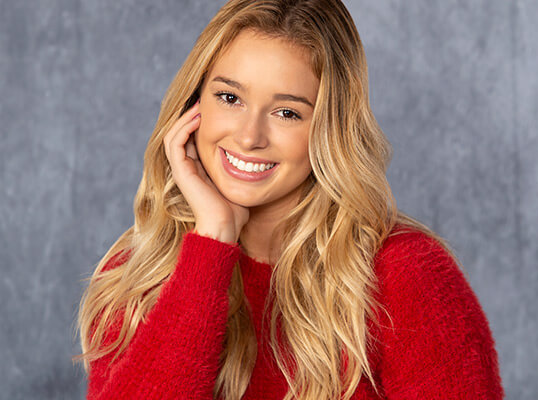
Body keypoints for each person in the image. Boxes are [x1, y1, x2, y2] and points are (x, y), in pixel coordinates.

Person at [72, 0, 505, 399]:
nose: (248, 137)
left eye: (287, 112)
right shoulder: (139, 275)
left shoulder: (405, 276)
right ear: (193, 105)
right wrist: (211, 247)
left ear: (329, 131)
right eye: (230, 97)